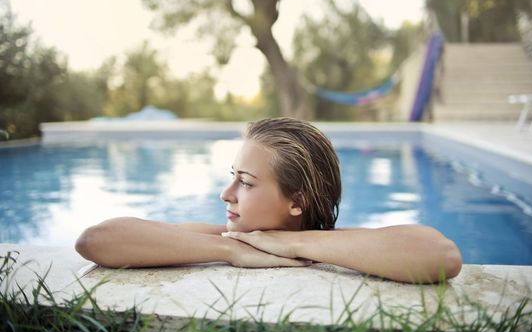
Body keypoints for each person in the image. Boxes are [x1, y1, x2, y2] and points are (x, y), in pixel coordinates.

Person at [75, 117, 462, 283]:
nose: (226, 194)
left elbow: (442, 256)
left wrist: (293, 242)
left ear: (297, 201)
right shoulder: (225, 239)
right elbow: (95, 240)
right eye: (233, 178)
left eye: (245, 182)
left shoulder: (342, 244)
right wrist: (231, 252)